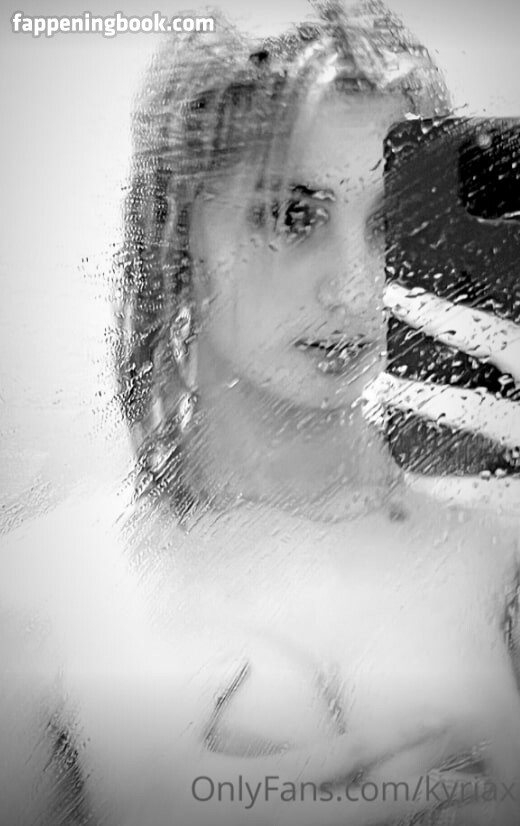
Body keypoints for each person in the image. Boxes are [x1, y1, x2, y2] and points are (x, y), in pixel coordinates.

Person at [1, 2, 520, 825]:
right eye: (290, 214)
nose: (354, 287)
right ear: (176, 233)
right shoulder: (51, 596)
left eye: (389, 221)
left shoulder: (495, 549)